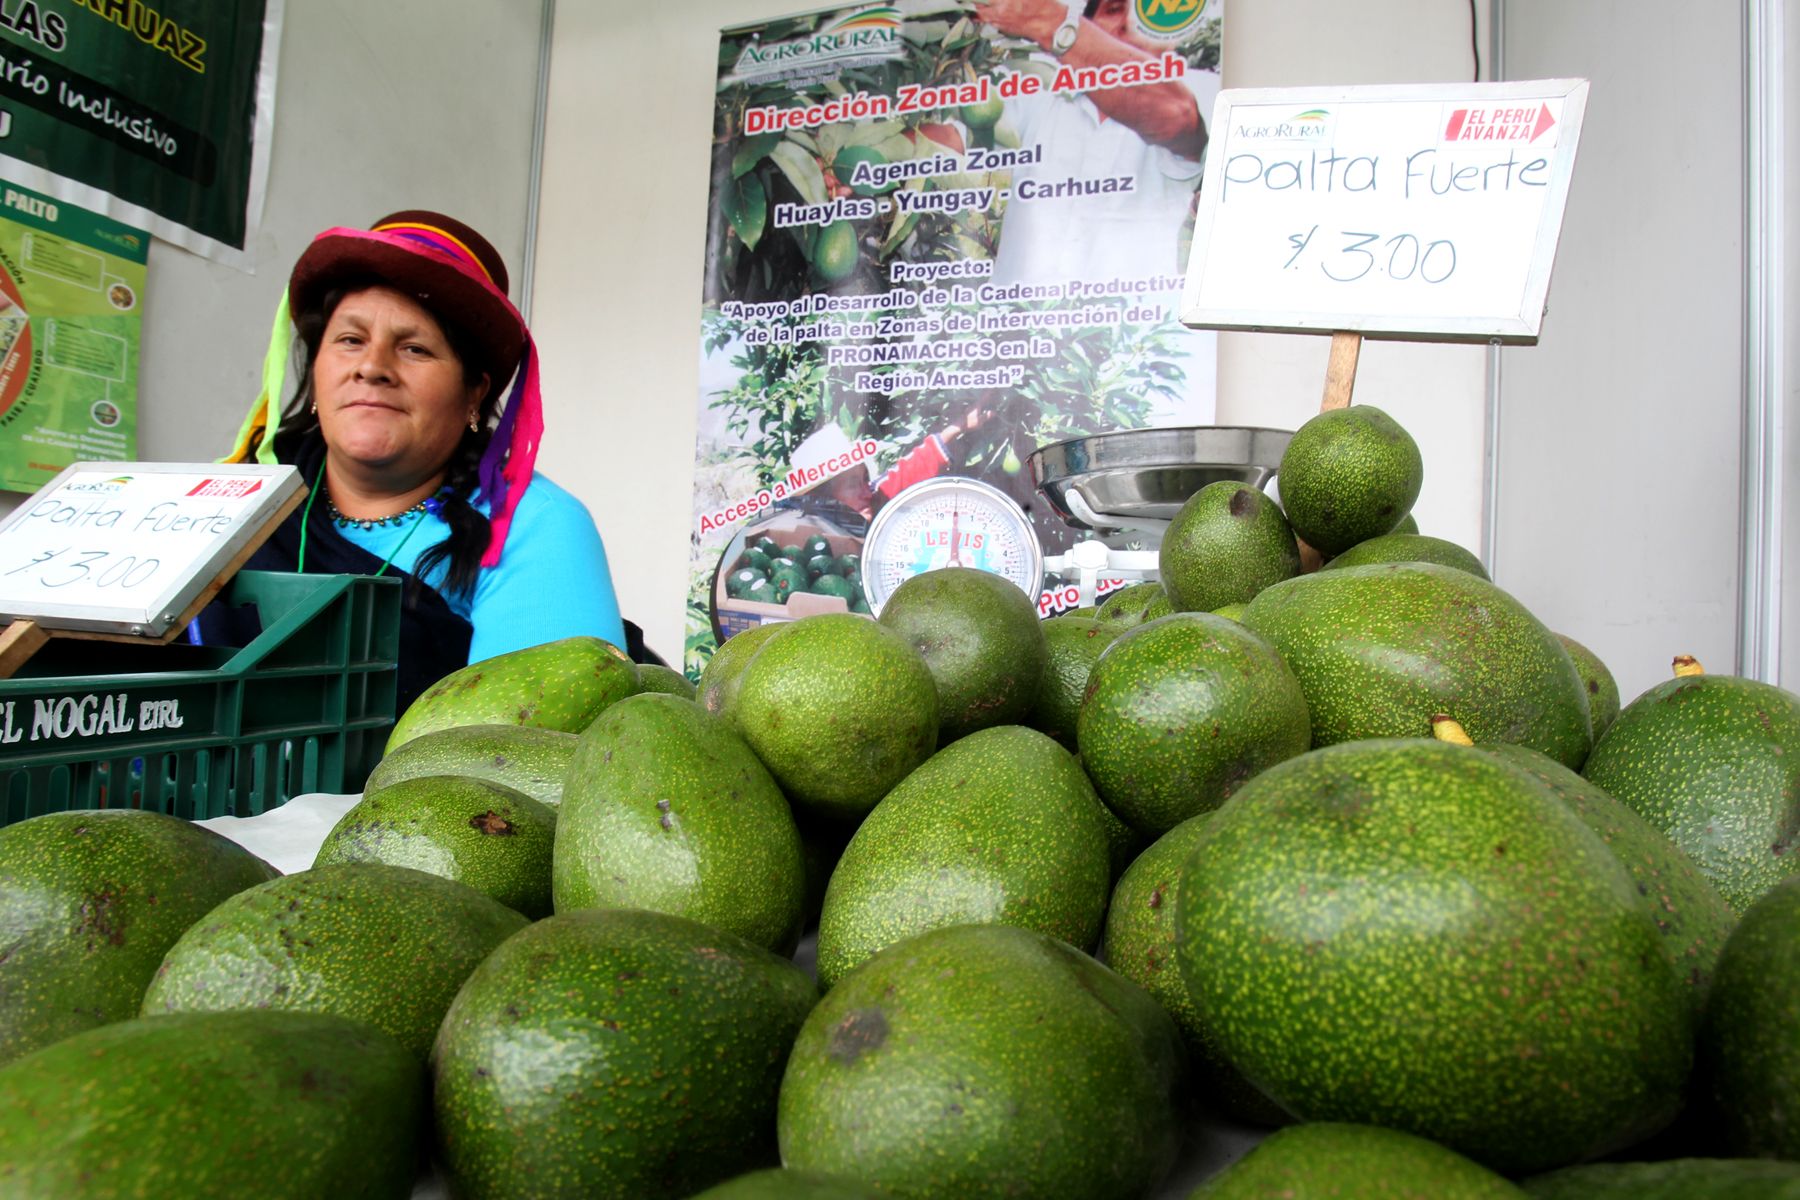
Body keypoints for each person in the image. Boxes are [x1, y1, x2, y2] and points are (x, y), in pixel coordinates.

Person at [214, 210, 627, 710]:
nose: (372, 367)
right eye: (350, 340)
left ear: (473, 394)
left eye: (414, 349)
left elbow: (526, 758)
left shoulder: (536, 528)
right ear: (316, 369)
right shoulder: (237, 498)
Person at [972, 0, 1211, 286]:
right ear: (1089, 25)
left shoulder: (1203, 91)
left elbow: (1175, 117)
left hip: (1135, 324)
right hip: (1015, 324)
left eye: (1150, 11)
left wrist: (1048, 21)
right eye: (1114, 9)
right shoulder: (1034, 90)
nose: (1129, 23)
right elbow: (946, 146)